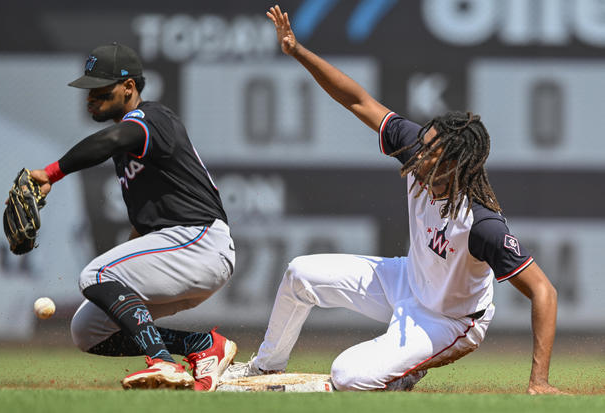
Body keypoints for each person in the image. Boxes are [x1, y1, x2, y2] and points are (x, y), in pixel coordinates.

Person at [221, 6, 562, 394]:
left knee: (347, 374)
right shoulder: (418, 151)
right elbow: (357, 100)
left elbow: (544, 291)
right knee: (301, 274)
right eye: (423, 143)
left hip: (448, 320)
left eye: (431, 151)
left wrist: (539, 381)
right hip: (407, 279)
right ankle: (265, 369)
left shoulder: (480, 223)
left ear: (453, 164)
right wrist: (298, 51)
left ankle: (404, 372)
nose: (419, 153)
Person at [29, 43, 237, 391]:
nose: (91, 98)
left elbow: (112, 138)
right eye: (88, 91)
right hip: (179, 252)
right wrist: (123, 277)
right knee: (88, 330)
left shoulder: (151, 118)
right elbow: (143, 226)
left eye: (101, 90)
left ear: (129, 88)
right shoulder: (129, 152)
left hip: (199, 241)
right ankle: (203, 347)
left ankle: (162, 362)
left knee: (96, 272)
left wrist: (51, 173)